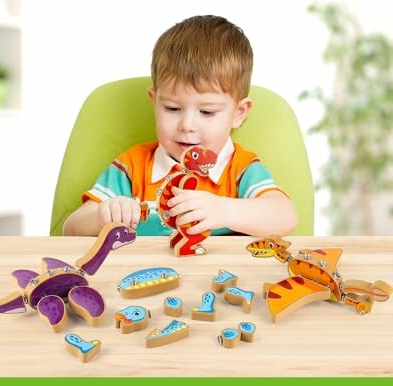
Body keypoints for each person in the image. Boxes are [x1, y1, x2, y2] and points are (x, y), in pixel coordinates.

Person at [63, 15, 297, 237]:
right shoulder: (132, 166)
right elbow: (71, 228)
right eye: (172, 109)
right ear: (154, 102)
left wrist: (224, 211)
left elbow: (285, 216)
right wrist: (104, 215)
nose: (186, 125)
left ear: (238, 113)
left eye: (207, 112)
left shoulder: (241, 168)